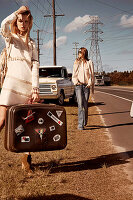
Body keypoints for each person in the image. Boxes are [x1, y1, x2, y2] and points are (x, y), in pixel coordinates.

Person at [0, 6, 39, 173]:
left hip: (26, 89)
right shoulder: (10, 38)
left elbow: (35, 67)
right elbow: (3, 25)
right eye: (20, 21)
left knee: (26, 126)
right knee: (1, 120)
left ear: (30, 23)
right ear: (16, 22)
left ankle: (26, 161)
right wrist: (16, 12)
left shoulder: (32, 44)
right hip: (10, 86)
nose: (23, 24)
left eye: (26, 21)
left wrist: (35, 89)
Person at [72, 47, 94, 130]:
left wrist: (89, 84)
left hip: (86, 87)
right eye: (78, 52)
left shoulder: (89, 62)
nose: (79, 54)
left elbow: (91, 75)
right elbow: (74, 74)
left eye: (80, 52)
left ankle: (85, 121)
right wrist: (76, 82)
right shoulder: (76, 62)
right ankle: (80, 125)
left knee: (85, 105)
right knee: (80, 105)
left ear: (84, 53)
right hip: (78, 86)